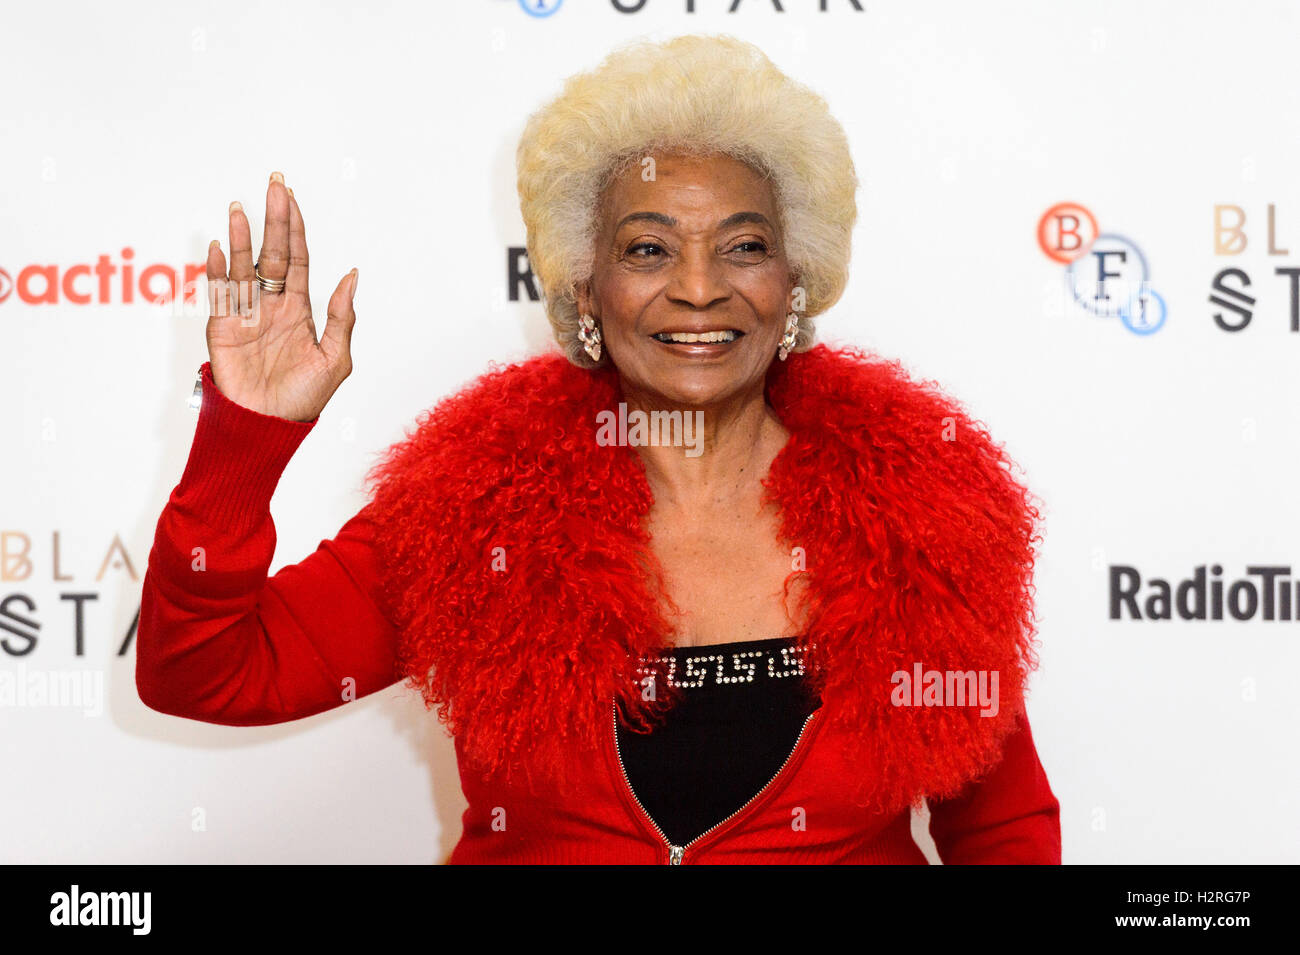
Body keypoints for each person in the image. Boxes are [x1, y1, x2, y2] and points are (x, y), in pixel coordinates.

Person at [137, 33, 1060, 864]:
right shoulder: (472, 504)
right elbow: (204, 672)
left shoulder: (921, 509)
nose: (699, 290)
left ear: (795, 282)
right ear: (585, 290)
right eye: (649, 250)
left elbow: (1002, 828)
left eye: (743, 246)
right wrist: (244, 435)